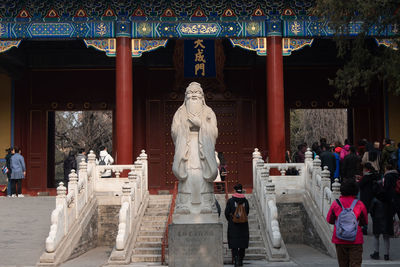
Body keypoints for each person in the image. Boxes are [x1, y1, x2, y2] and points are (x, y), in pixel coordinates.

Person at [171, 82, 218, 214]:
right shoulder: (180, 113)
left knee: (203, 176)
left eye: (196, 94)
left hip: (203, 150)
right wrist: (185, 127)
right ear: (185, 98)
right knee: (187, 176)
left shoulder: (208, 112)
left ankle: (207, 203)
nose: (193, 97)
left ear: (202, 97)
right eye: (190, 95)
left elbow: (214, 132)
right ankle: (183, 204)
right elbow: (174, 131)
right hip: (187, 149)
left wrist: (201, 124)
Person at [326, 178, 368, 267]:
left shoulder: (336, 203)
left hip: (339, 239)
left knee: (343, 264)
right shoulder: (360, 204)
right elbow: (365, 221)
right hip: (356, 239)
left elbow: (330, 220)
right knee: (355, 264)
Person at [369, 160, 399, 261]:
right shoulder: (396, 177)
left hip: (379, 213)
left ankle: (376, 252)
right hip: (389, 210)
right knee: (386, 236)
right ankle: (386, 254)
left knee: (376, 235)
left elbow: (371, 210)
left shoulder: (385, 179)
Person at [225, 184, 249, 267]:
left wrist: (231, 220)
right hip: (243, 224)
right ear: (241, 190)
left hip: (233, 225)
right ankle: (241, 259)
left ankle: (235, 259)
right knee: (242, 242)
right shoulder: (245, 201)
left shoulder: (231, 201)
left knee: (234, 242)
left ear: (235, 190)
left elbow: (226, 213)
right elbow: (247, 212)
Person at [356, 162, 379, 234]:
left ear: (366, 169)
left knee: (364, 213)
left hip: (365, 196)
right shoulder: (374, 175)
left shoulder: (366, 176)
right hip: (373, 196)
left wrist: (358, 180)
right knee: (373, 213)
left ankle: (364, 228)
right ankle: (376, 229)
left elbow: (360, 184)